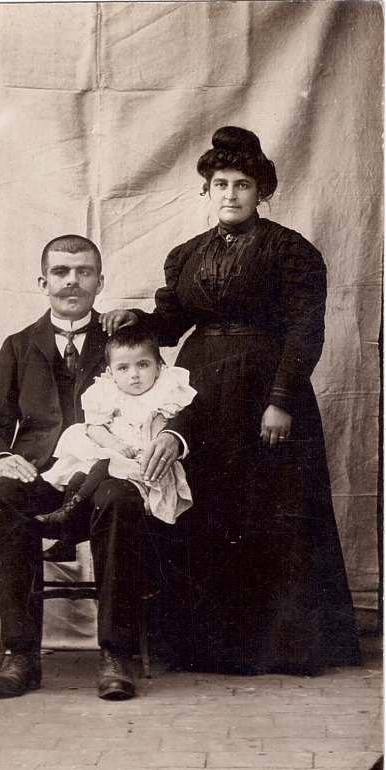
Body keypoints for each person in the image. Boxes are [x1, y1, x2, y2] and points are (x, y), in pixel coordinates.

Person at [102, 126, 362, 675]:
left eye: (242, 184)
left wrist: (281, 399)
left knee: (269, 505)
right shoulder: (186, 256)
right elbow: (172, 325)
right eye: (220, 184)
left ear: (261, 191)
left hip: (265, 385)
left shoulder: (290, 250)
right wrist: (137, 322)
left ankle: (282, 649)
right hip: (199, 394)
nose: (230, 194)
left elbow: (305, 330)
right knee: (209, 501)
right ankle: (209, 648)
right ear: (206, 190)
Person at [0, 234, 186, 701]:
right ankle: (20, 653)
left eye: (83, 272)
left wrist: (171, 435)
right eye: (62, 272)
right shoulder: (19, 345)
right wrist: (3, 458)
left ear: (100, 281)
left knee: (121, 499)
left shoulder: (123, 340)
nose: (72, 282)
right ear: (43, 281)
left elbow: (170, 395)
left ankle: (116, 653)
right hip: (46, 478)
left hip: (111, 473)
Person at [37, 329, 196, 541]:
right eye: (123, 368)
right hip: (113, 450)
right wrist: (115, 445)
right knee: (79, 476)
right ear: (111, 373)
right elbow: (93, 427)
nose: (134, 374)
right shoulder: (106, 392)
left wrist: (138, 451)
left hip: (140, 459)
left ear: (158, 367)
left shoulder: (163, 394)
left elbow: (159, 434)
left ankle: (68, 518)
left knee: (102, 467)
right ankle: (67, 531)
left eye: (143, 365)